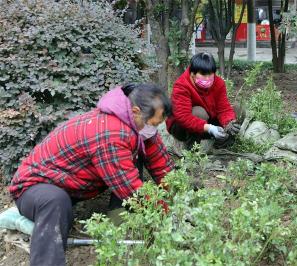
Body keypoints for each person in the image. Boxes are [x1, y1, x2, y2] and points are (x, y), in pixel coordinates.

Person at [8, 83, 174, 266]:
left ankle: (119, 213)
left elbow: (160, 162)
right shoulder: (111, 133)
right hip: (33, 188)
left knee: (135, 151)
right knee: (56, 201)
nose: (155, 130)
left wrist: (179, 195)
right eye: (154, 124)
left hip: (68, 184)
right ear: (135, 111)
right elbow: (130, 188)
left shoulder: (136, 125)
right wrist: (168, 214)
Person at [166, 52, 242, 149]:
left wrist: (229, 123)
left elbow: (223, 109)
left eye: (210, 74)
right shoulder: (181, 86)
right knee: (199, 112)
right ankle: (192, 148)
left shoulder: (219, 83)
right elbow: (183, 117)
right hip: (182, 128)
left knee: (237, 110)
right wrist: (209, 128)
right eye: (203, 74)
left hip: (207, 123)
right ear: (192, 74)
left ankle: (221, 143)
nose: (207, 78)